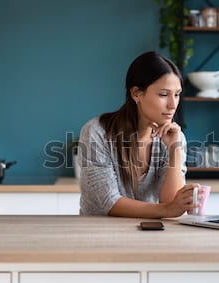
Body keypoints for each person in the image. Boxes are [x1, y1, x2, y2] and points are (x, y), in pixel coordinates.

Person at [78, 51, 200, 218]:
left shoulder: (174, 136)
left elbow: (172, 203)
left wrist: (174, 150)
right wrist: (167, 209)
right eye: (163, 94)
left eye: (177, 94)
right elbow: (110, 203)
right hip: (100, 236)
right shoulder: (97, 132)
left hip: (148, 234)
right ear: (136, 93)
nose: (173, 105)